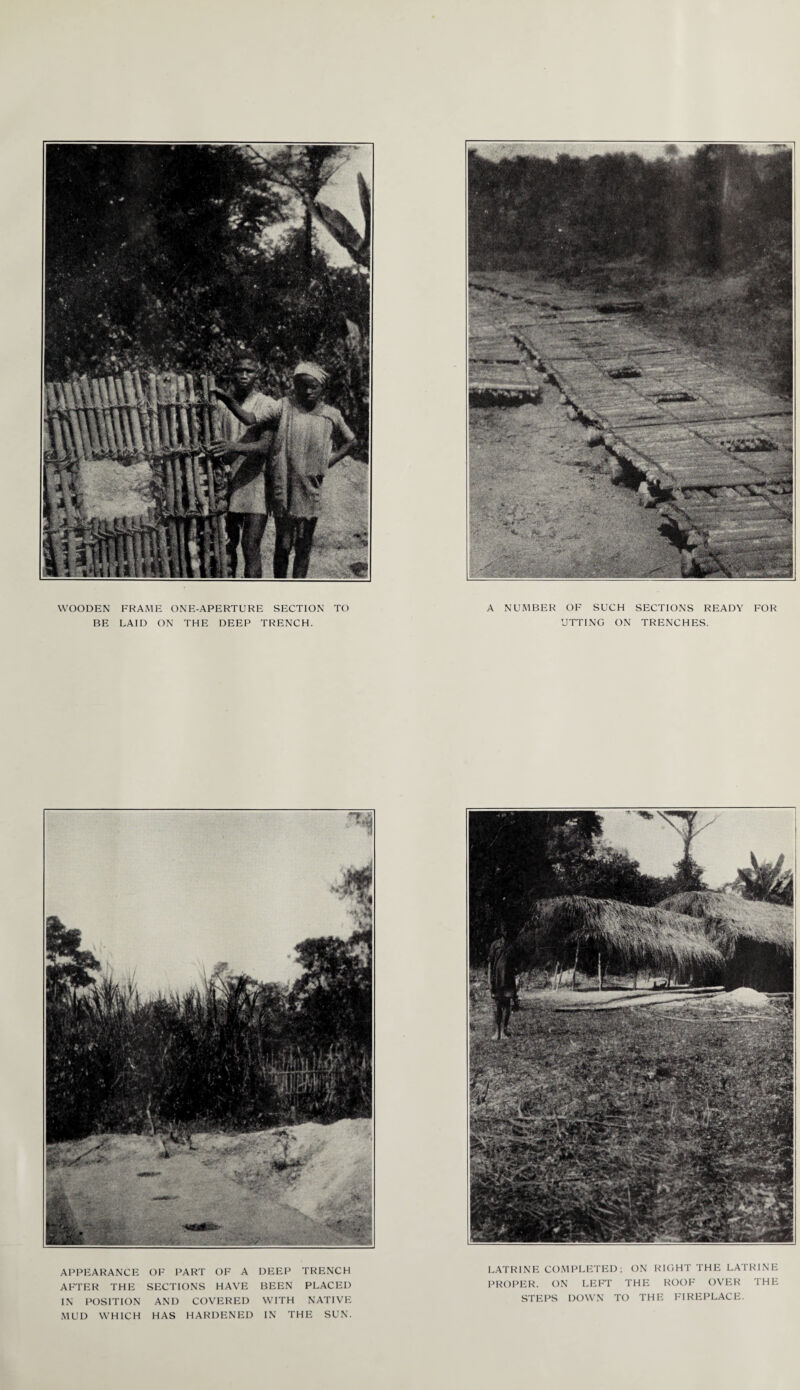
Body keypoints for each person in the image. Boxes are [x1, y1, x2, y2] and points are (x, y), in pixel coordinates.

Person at [270, 363, 357, 579]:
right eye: (302, 386)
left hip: (310, 489)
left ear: (322, 388)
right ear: (295, 387)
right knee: (283, 545)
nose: (307, 391)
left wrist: (329, 461)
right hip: (286, 489)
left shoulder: (331, 415)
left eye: (313, 387)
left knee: (304, 545)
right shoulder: (286, 408)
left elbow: (351, 441)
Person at [208, 354, 279, 578]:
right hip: (226, 482)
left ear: (257, 374)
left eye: (249, 370)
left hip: (255, 482)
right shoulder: (219, 406)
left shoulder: (266, 404)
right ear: (232, 373)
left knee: (250, 545)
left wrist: (233, 447)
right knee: (226, 545)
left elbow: (266, 446)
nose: (244, 375)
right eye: (239, 370)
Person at [487, 926, 519, 1041]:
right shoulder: (495, 945)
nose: (506, 932)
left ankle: (504, 1030)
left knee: (507, 1005)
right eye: (504, 930)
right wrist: (489, 981)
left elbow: (515, 965)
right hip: (497, 980)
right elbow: (490, 964)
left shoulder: (512, 946)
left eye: (508, 930)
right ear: (501, 932)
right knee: (497, 1005)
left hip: (509, 980)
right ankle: (497, 1032)